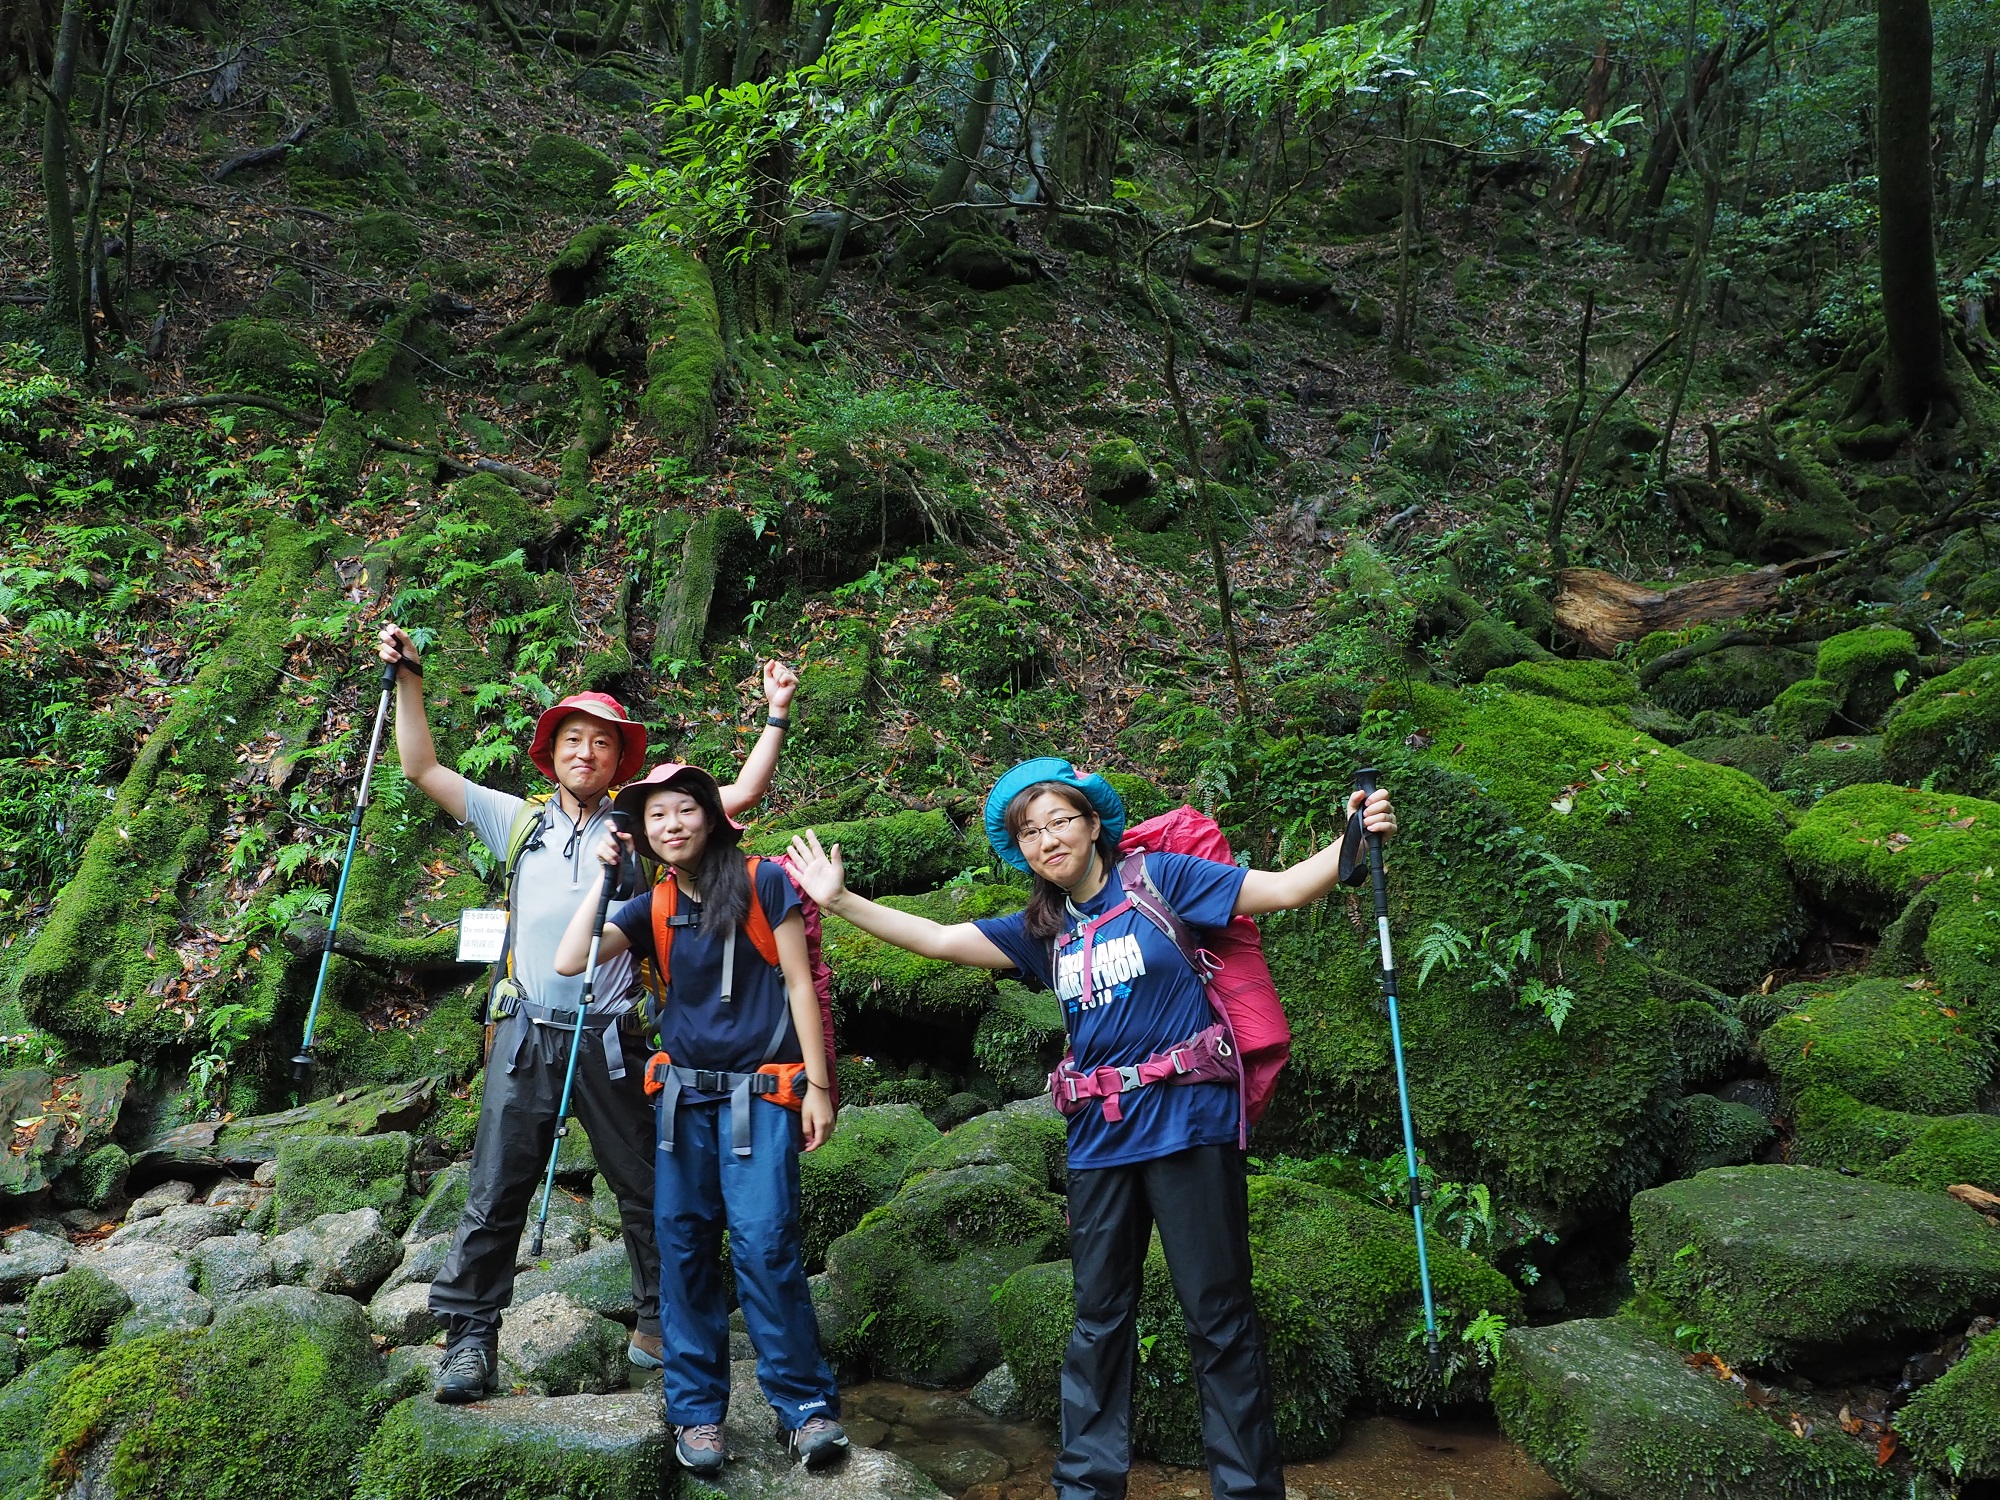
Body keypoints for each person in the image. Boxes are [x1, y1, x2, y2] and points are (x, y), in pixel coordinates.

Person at [785, 759, 1397, 1500]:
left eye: (1059, 820)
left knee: (1218, 1316)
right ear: (1022, 850)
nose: (1048, 838)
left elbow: (1286, 889)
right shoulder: (1044, 930)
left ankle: (1245, 1489)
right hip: (1100, 1139)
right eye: (1031, 831)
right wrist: (841, 899)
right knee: (1100, 1320)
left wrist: (1354, 836)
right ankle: (1087, 1486)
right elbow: (941, 940)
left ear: (1092, 822)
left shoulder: (1163, 880)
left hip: (1188, 1125)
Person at [371, 621, 798, 1404]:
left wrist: (773, 716)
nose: (586, 753)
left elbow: (735, 798)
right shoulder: (517, 820)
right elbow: (421, 766)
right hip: (527, 1029)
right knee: (497, 1186)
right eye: (573, 738)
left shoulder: (642, 826)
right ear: (552, 750)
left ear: (618, 760)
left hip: (614, 1037)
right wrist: (410, 681)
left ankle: (661, 1322)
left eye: (602, 743)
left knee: (645, 1186)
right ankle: (470, 1341)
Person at [554, 763, 847, 1476]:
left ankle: (805, 1410)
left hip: (761, 1097)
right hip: (683, 1103)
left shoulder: (761, 882)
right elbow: (568, 960)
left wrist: (819, 1086)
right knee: (683, 1249)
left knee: (764, 1246)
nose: (671, 825)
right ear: (644, 835)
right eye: (656, 817)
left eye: (684, 810)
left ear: (710, 816)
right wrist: (604, 875)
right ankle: (697, 1415)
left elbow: (800, 983)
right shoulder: (649, 906)